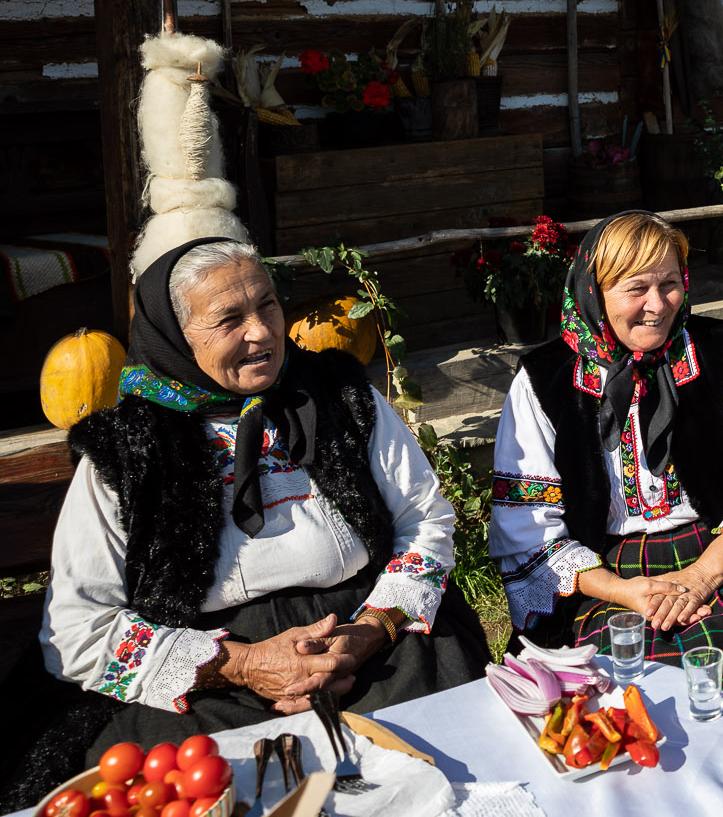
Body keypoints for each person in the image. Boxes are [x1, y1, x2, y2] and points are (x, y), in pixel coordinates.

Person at [37, 238, 487, 760]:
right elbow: (77, 626)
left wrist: (370, 630)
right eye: (230, 319)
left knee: (449, 748)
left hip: (367, 634)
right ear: (176, 337)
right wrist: (243, 665)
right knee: (195, 782)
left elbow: (424, 517)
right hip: (212, 670)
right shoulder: (126, 450)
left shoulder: (340, 396)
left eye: (267, 305)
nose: (262, 332)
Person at [489, 210, 723, 732]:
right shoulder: (544, 380)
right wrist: (627, 591)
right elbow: (530, 531)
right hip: (602, 571)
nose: (657, 306)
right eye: (636, 288)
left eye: (670, 284)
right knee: (619, 685)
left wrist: (697, 579)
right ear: (595, 290)